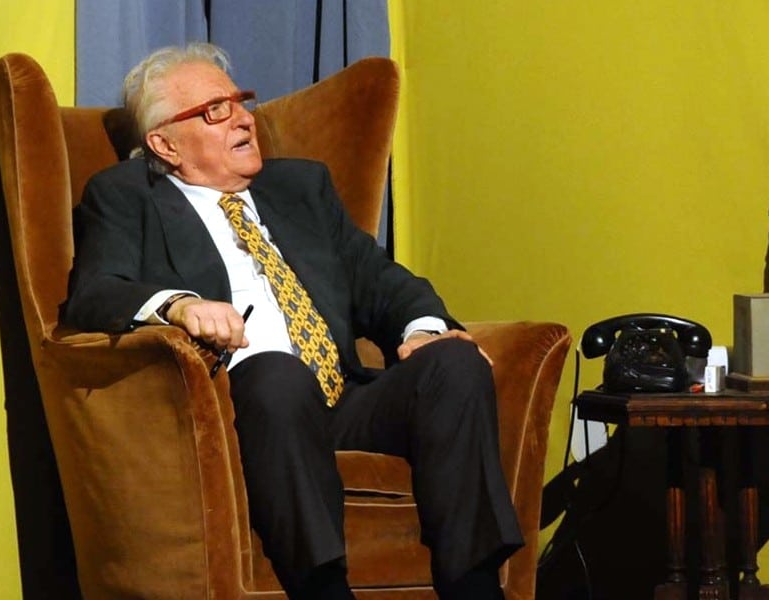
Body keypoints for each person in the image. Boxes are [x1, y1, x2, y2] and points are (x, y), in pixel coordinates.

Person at [60, 42, 521, 600]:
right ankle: (322, 588)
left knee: (454, 360)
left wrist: (422, 329)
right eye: (216, 111)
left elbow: (378, 278)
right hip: (247, 409)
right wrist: (179, 305)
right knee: (277, 372)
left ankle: (475, 587)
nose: (244, 120)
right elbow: (96, 291)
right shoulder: (128, 196)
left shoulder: (300, 188)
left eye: (241, 102)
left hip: (341, 398)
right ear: (165, 144)